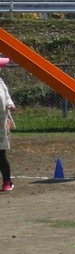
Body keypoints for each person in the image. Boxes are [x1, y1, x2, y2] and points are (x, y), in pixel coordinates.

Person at [0, 57, 17, 192]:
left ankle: (7, 181)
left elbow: (7, 96)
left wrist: (11, 104)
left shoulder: (1, 82)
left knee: (1, 154)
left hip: (1, 124)